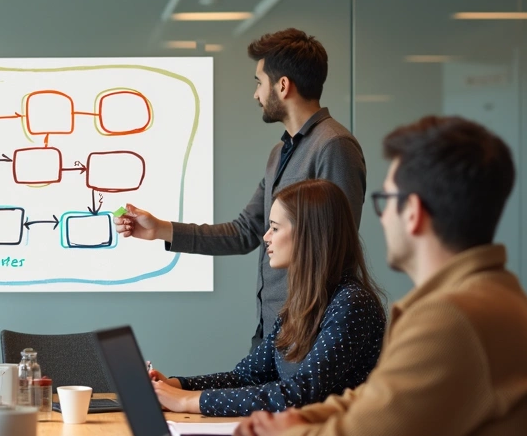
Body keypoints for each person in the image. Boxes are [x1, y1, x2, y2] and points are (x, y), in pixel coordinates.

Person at [232, 116, 527, 436]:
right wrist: (298, 420)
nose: (379, 215)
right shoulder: (479, 297)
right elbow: (373, 402)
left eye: (385, 199)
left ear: (414, 212)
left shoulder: (454, 318)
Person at [116, 28, 366, 354]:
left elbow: (336, 249)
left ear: (283, 85)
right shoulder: (280, 153)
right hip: (273, 329)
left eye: (258, 82)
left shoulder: (334, 145)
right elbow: (244, 232)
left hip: (311, 334)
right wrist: (158, 230)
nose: (256, 94)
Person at [149, 179, 384, 416]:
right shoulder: (301, 304)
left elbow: (298, 395)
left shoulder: (352, 304)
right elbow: (246, 377)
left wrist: (188, 402)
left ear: (308, 233)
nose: (266, 237)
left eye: (275, 227)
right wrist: (175, 386)